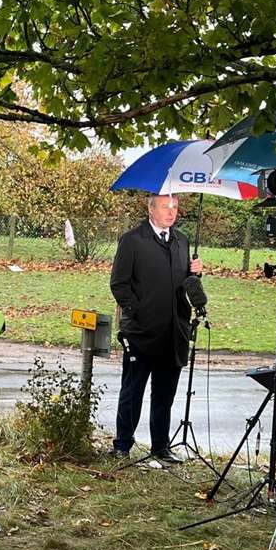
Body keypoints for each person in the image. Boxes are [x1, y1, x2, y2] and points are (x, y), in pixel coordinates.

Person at [109, 193, 203, 462]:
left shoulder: (181, 241)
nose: (171, 212)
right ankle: (123, 444)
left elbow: (187, 284)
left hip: (174, 332)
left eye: (174, 207)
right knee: (133, 390)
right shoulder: (133, 240)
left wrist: (195, 272)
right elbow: (119, 284)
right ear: (151, 209)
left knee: (164, 394)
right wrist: (138, 312)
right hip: (141, 332)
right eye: (165, 207)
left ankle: (160, 447)